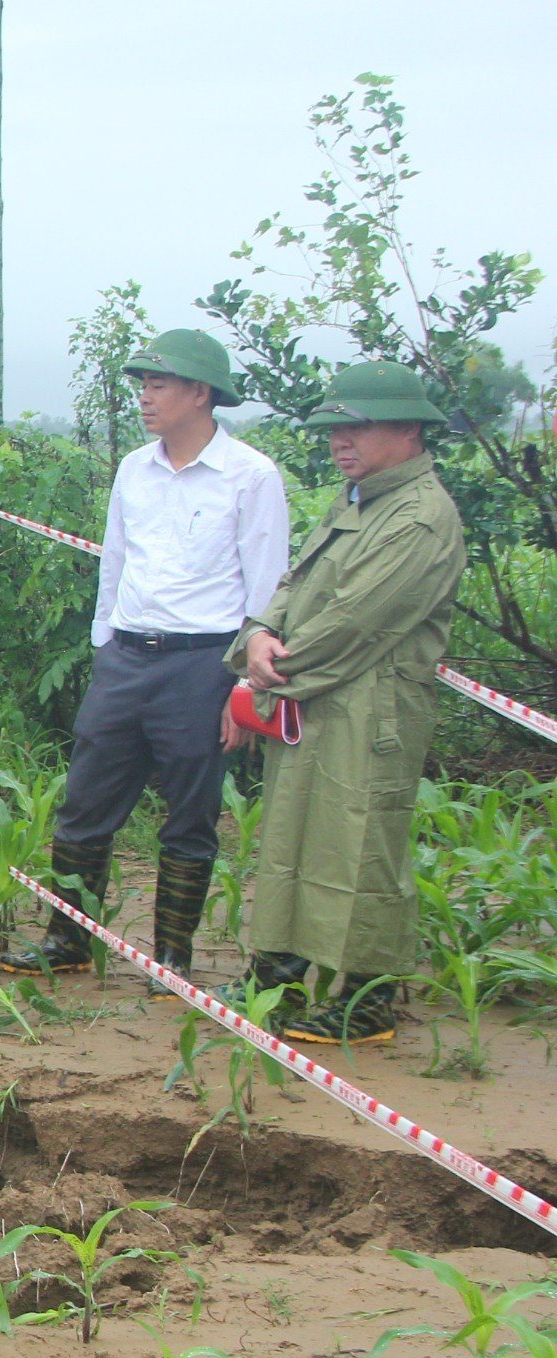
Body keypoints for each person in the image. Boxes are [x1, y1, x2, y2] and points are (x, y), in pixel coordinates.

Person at [0, 330, 286, 989]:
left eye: (159, 385)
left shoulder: (251, 476)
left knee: (189, 812)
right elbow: (116, 565)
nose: (146, 397)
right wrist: (106, 646)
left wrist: (242, 687)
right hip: (128, 655)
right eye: (143, 385)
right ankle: (67, 937)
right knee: (84, 802)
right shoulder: (135, 468)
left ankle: (173, 959)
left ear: (200, 393)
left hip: (202, 664)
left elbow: (268, 591)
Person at [227, 360, 466, 1045]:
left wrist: (270, 667)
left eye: (357, 426)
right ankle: (275, 975)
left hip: (371, 711)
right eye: (336, 426)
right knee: (294, 838)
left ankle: (366, 1001)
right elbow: (298, 583)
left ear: (409, 429)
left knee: (360, 847)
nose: (341, 440)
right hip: (317, 702)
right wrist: (260, 633)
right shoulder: (357, 497)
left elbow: (357, 621)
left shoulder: (420, 518)